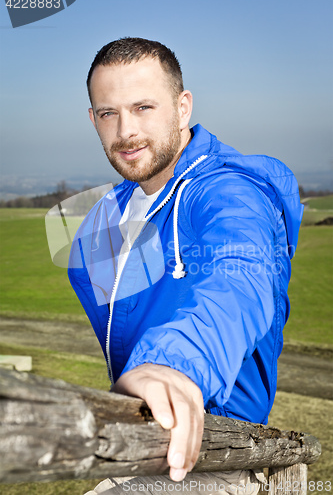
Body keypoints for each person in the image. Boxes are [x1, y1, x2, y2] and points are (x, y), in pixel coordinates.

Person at [68, 37, 303, 492]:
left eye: (143, 107)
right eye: (108, 113)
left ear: (183, 107)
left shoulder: (229, 190)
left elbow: (240, 276)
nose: (125, 131)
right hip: (146, 434)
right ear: (93, 119)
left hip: (219, 447)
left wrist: (173, 366)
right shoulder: (108, 215)